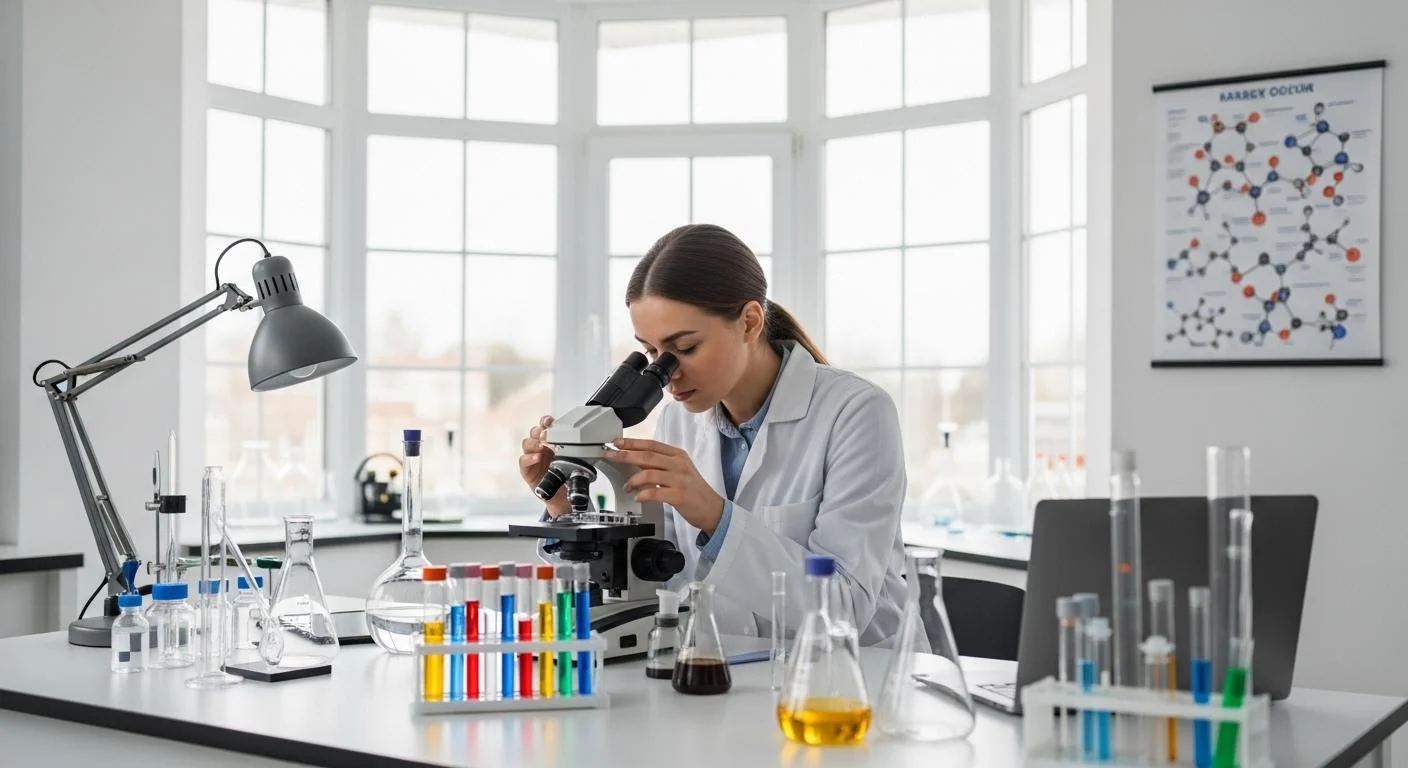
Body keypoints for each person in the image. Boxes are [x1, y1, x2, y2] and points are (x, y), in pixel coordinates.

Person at [518, 223, 909, 646]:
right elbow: (655, 578)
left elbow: (844, 607)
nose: (668, 375)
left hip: (854, 682)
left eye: (684, 348)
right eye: (651, 353)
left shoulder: (856, 412)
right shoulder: (678, 421)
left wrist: (713, 515)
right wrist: (563, 508)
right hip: (728, 674)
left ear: (749, 321)